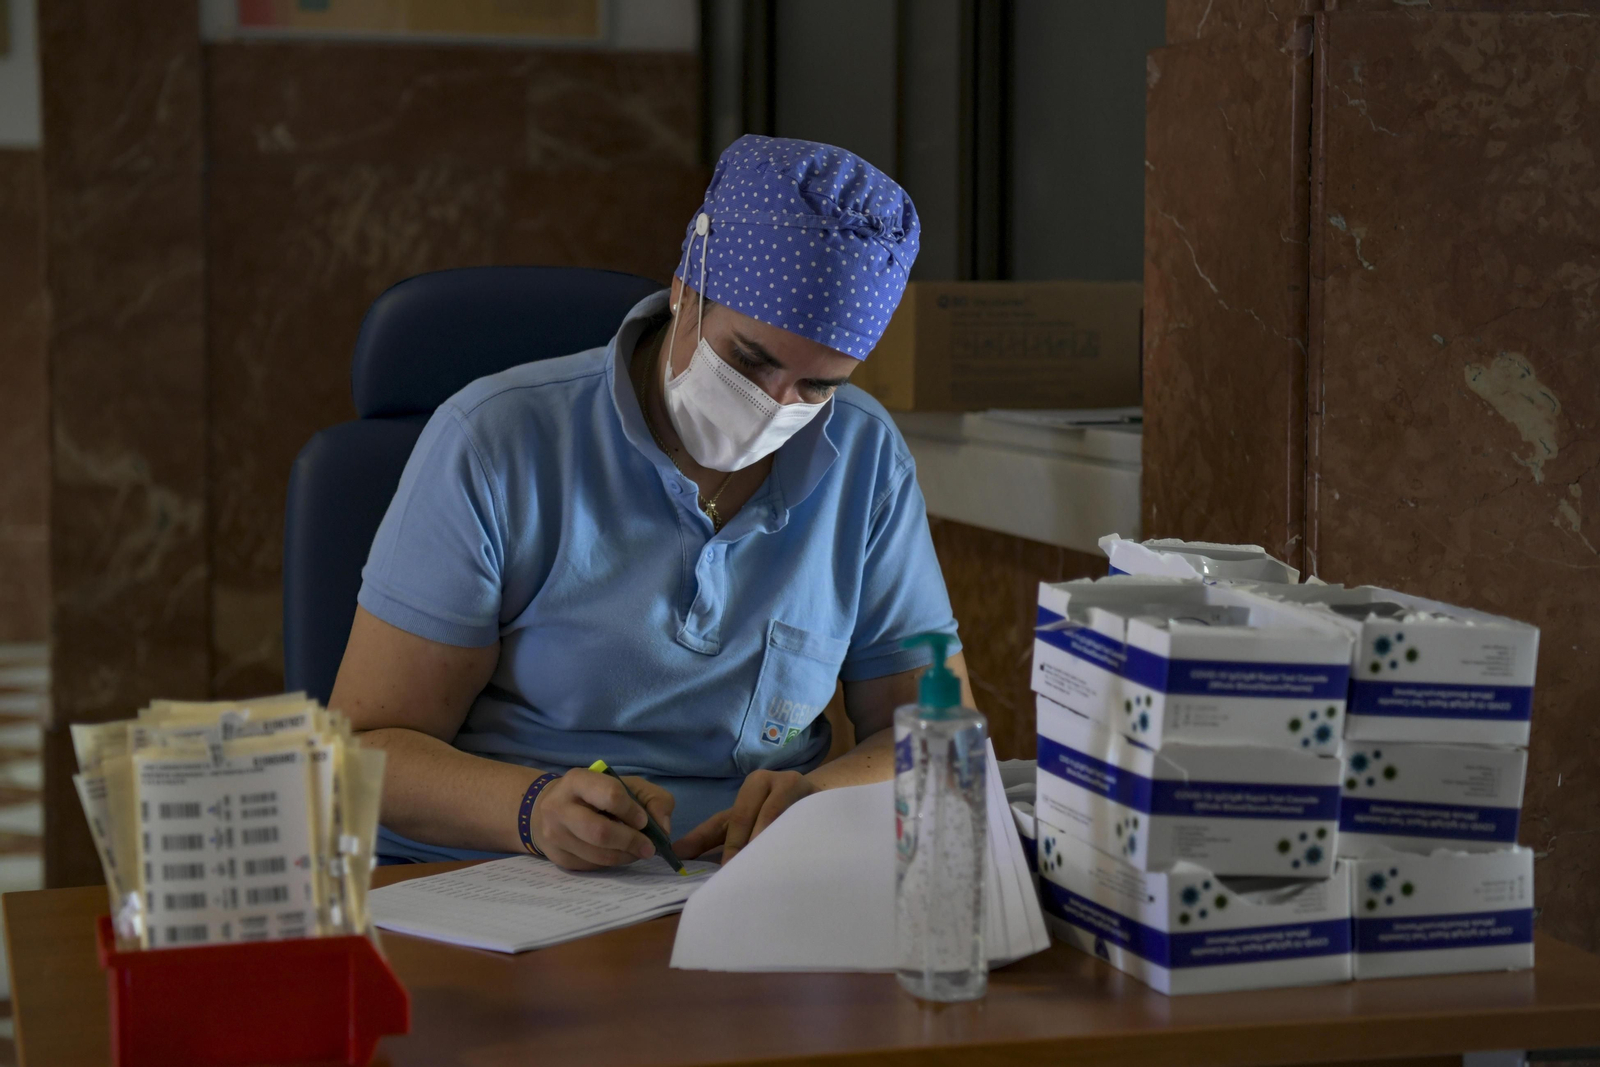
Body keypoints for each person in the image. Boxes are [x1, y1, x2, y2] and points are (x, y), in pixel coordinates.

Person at [331, 135, 972, 870]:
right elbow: (360, 755)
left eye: (817, 386)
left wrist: (818, 798)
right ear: (684, 288)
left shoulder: (863, 458)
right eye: (750, 360)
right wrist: (533, 808)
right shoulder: (497, 443)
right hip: (510, 871)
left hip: (745, 883)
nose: (773, 408)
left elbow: (938, 728)